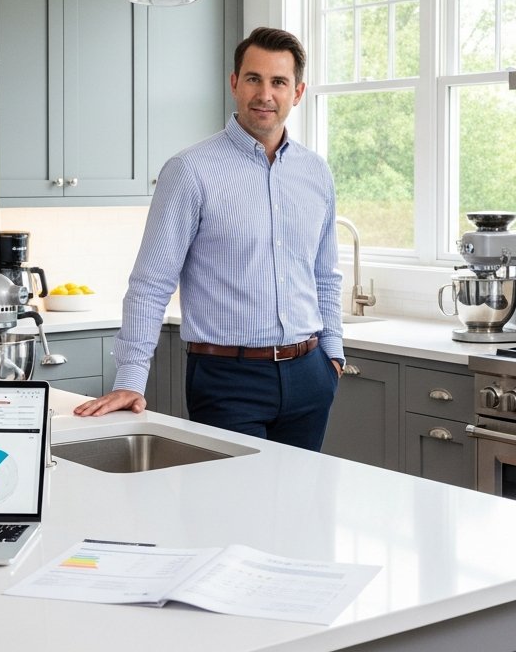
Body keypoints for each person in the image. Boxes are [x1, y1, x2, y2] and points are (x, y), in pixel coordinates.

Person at [73, 27, 345, 451]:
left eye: (279, 82)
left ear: (299, 91)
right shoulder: (190, 171)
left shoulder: (316, 174)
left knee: (301, 509)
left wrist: (333, 356)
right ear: (235, 83)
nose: (265, 94)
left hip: (310, 376)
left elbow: (325, 276)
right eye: (254, 78)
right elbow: (150, 284)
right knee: (233, 511)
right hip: (227, 380)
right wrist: (129, 380)